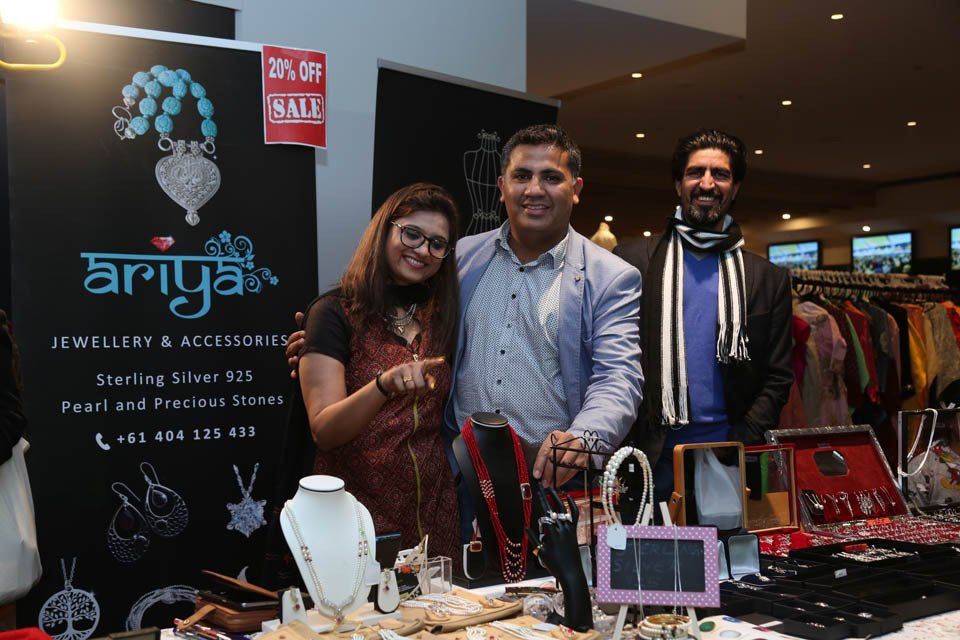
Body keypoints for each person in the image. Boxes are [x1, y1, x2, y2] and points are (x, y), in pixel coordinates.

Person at [448, 124, 642, 491]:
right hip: (462, 475)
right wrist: (323, 338)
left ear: (576, 189)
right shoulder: (462, 257)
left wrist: (583, 438)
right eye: (522, 176)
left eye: (551, 177)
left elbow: (619, 377)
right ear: (502, 186)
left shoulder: (612, 277)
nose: (534, 190)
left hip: (552, 480)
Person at [285, 182, 462, 565]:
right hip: (358, 518)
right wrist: (382, 386)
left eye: (436, 243)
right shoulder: (333, 313)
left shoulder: (443, 315)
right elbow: (325, 430)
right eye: (411, 234)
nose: (422, 250)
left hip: (436, 518)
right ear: (385, 230)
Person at [615, 129, 793, 502]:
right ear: (678, 183)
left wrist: (741, 437)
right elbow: (609, 358)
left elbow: (777, 377)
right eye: (696, 172)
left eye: (721, 174)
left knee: (724, 557)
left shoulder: (767, 278)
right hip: (647, 455)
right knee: (649, 559)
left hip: (728, 455)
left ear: (736, 187)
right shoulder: (630, 261)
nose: (707, 183)